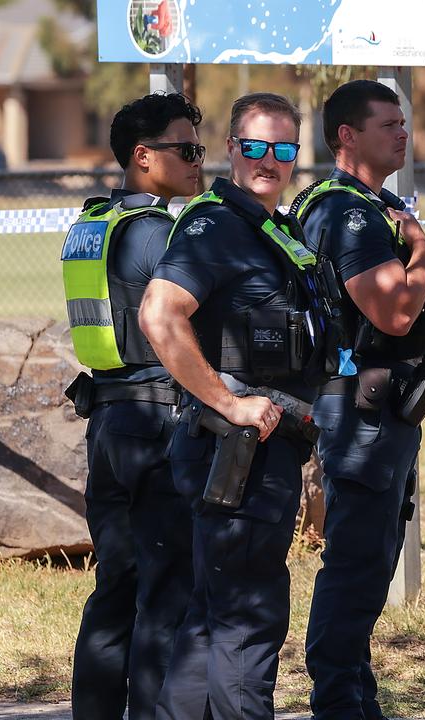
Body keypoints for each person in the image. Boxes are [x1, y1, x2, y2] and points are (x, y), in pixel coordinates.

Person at [140, 92, 332, 719]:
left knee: (212, 619)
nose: (268, 160)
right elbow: (160, 314)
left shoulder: (276, 227)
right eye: (254, 146)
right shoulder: (216, 223)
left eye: (282, 149)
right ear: (231, 150)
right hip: (239, 452)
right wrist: (231, 403)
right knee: (247, 624)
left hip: (269, 450)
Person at [293, 79, 425, 720]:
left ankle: (355, 699)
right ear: (347, 137)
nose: (403, 133)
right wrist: (421, 250)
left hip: (374, 408)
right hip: (358, 412)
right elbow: (391, 311)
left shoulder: (364, 203)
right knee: (358, 564)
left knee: (371, 559)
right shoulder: (350, 211)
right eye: (388, 124)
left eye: (403, 122)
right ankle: (337, 702)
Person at [62, 91, 203, 720]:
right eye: (186, 149)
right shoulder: (152, 234)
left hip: (108, 422)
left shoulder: (92, 225)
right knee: (165, 589)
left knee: (114, 588)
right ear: (143, 156)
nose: (199, 161)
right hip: (156, 421)